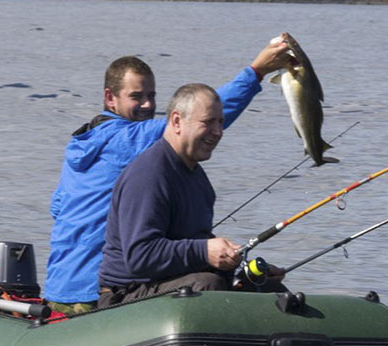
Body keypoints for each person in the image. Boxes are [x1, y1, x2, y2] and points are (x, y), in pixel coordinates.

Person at [43, 39, 293, 315]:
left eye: (152, 95)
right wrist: (256, 72)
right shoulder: (129, 141)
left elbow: (57, 208)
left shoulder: (81, 147)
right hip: (91, 291)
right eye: (136, 96)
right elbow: (200, 117)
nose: (148, 105)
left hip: (57, 283)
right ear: (110, 98)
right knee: (205, 285)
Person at [97, 83, 286, 309]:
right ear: (177, 121)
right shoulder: (149, 175)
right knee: (208, 286)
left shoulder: (199, 180)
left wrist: (241, 269)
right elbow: (140, 257)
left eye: (221, 122)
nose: (218, 132)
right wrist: (205, 250)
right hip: (126, 296)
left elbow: (193, 252)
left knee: (269, 289)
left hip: (172, 283)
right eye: (208, 122)